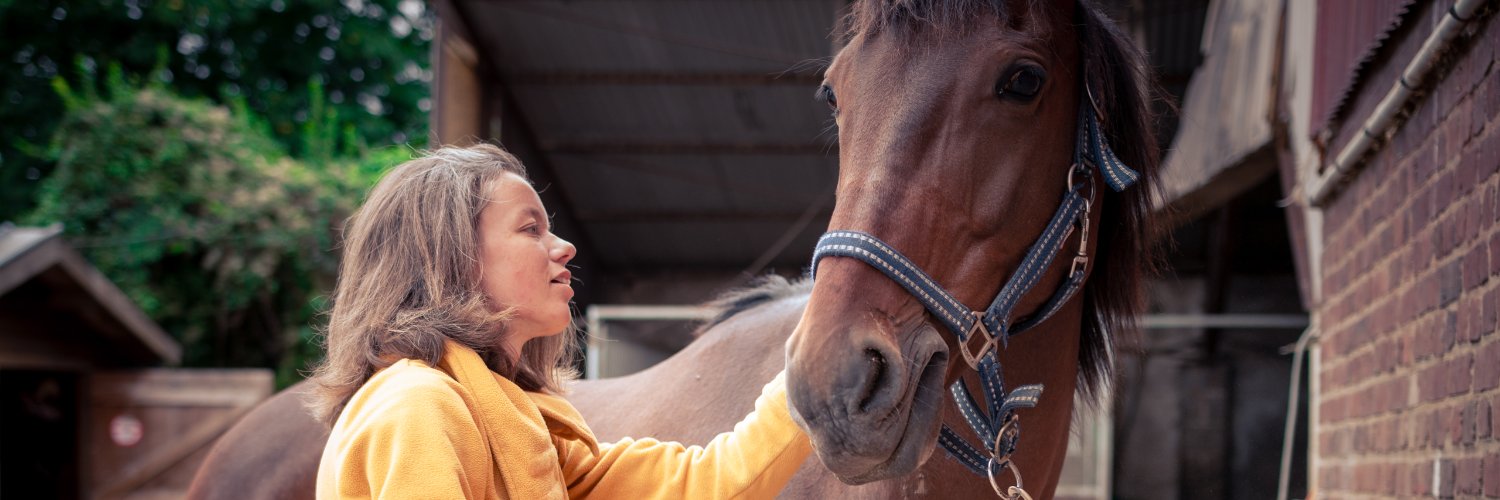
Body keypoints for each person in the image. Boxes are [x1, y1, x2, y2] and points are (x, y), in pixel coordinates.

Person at [307, 143, 812, 499]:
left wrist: (814, 360)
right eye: (531, 228)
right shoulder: (418, 405)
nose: (565, 247)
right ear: (450, 255)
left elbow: (709, 484)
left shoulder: (523, 428)